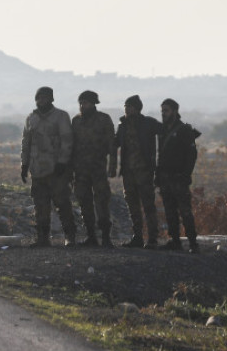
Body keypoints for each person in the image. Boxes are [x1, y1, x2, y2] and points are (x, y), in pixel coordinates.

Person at [20, 86, 78, 247]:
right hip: (37, 169)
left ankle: (70, 237)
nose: (41, 101)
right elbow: (26, 143)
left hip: (56, 169)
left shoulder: (60, 116)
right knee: (40, 206)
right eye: (38, 98)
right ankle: (43, 238)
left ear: (51, 99)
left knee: (63, 204)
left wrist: (62, 162)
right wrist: (24, 165)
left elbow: (67, 141)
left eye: (44, 98)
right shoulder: (31, 118)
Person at [113, 94, 162, 249]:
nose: (127, 109)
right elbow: (114, 143)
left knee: (148, 206)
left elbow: (166, 131)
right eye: (125, 106)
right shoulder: (123, 126)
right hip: (128, 173)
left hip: (145, 172)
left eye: (130, 106)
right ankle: (138, 237)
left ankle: (153, 239)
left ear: (137, 108)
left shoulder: (148, 123)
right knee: (132, 207)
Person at [70, 90, 117, 247]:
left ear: (94, 104)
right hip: (80, 169)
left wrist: (113, 166)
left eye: (86, 103)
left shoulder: (104, 120)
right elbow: (71, 146)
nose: (83, 106)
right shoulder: (76, 121)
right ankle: (91, 236)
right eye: (81, 103)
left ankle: (105, 237)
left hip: (98, 168)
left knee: (102, 202)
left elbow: (112, 145)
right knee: (84, 202)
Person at [156, 98, 201, 253]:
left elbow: (192, 154)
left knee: (185, 211)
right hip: (165, 177)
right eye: (162, 111)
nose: (163, 114)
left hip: (179, 178)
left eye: (166, 110)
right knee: (170, 211)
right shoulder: (163, 130)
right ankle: (175, 241)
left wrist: (185, 174)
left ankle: (193, 243)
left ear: (174, 111)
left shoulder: (183, 130)